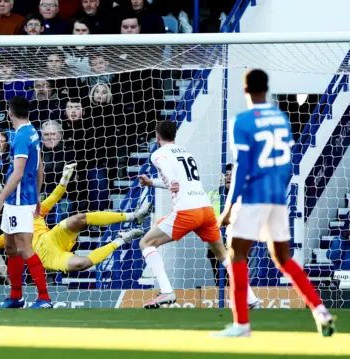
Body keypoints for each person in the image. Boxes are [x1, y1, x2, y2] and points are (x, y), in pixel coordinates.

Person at [214, 70, 335, 337]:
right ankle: (320, 310)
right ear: (267, 89)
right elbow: (285, 161)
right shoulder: (281, 118)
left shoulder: (242, 121)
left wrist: (229, 206)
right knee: (283, 258)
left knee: (237, 254)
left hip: (255, 195)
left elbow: (242, 166)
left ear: (245, 89)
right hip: (278, 197)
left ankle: (241, 324)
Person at [124, 120, 259, 309]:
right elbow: (181, 182)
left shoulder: (158, 154)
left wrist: (171, 180)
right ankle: (251, 299)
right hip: (205, 209)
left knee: (146, 242)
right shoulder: (185, 152)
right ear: (175, 136)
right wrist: (152, 182)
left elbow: (169, 173)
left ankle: (166, 292)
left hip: (187, 211)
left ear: (157, 137)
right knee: (222, 255)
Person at [0, 164, 146, 273]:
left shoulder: (31, 210)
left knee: (78, 219)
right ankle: (123, 238)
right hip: (46, 258)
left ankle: (132, 215)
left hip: (53, 238)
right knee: (82, 264)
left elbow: (53, 198)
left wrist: (64, 179)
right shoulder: (9, 232)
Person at [0, 96, 50, 308]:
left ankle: (44, 298)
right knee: (10, 247)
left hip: (19, 200)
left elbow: (18, 173)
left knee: (24, 248)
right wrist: (39, 196)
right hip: (23, 199)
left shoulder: (22, 136)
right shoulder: (33, 132)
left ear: (9, 113)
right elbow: (40, 167)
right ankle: (16, 296)